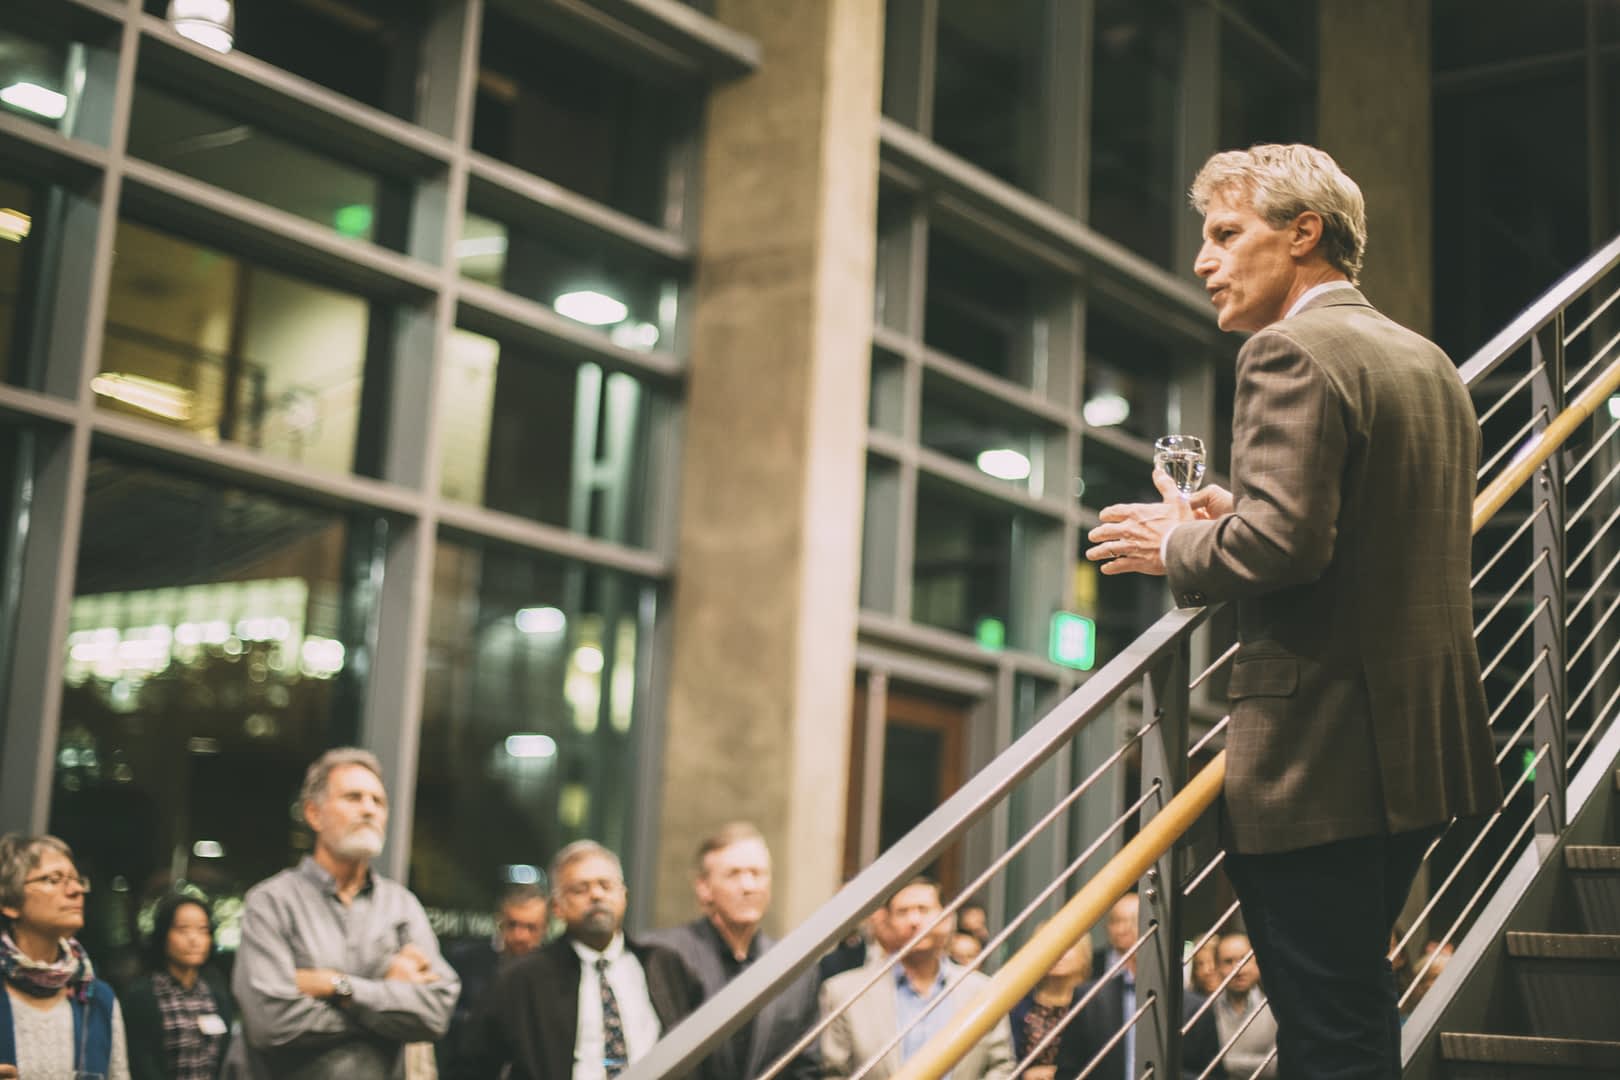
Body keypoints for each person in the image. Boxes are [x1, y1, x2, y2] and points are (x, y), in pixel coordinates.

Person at [1084, 143, 1502, 1078]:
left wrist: (1175, 544)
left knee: (1327, 1034)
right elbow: (1363, 536)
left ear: (1303, 233)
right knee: (1354, 1009)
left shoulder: (1286, 350)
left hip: (1320, 757)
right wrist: (1236, 514)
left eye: (1227, 234)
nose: (1205, 260)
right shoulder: (1427, 361)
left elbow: (1284, 550)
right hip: (1416, 749)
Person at [229, 747, 459, 1079]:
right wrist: (386, 1001)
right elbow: (272, 1022)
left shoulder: (402, 906)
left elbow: (435, 1012)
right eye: (353, 797)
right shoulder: (271, 902)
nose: (369, 810)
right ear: (313, 814)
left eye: (378, 801)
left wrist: (337, 986)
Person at [466, 840, 709, 1079]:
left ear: (624, 896)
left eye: (606, 885)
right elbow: (473, 1064)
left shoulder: (664, 966)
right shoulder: (524, 979)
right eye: (580, 889)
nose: (596, 895)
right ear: (557, 907)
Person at [646, 823, 818, 1080]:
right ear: (704, 888)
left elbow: (807, 1068)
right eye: (733, 874)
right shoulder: (662, 955)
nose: (748, 886)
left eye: (757, 873)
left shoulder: (796, 969)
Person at [819, 877, 1013, 1079]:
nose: (914, 921)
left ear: (946, 919)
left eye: (923, 909)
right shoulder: (845, 993)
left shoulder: (981, 989)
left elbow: (1000, 1066)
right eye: (902, 912)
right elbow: (834, 1073)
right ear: (887, 923)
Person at [0, 832, 130, 1079]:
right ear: (9, 902)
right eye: (54, 879)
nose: (76, 890)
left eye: (77, 880)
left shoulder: (98, 1000)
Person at [1052, 893, 1217, 1080]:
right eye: (1116, 921)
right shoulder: (1089, 997)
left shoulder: (1196, 1007)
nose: (1123, 929)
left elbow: (1212, 1073)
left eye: (1133, 921)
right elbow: (1068, 1069)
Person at [440, 882, 549, 1078]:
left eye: (531, 927)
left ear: (544, 929)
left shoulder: (553, 973)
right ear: (500, 922)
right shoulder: (466, 960)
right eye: (512, 924)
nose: (520, 936)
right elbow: (449, 1023)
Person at [123, 893, 234, 1080]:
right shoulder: (143, 996)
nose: (194, 939)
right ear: (163, 935)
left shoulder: (215, 996)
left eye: (203, 930)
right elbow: (139, 1063)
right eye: (183, 929)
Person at [1007, 933, 1090, 1079]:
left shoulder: (1095, 1003)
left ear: (1084, 956)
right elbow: (1004, 1059)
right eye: (1051, 946)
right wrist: (1023, 1075)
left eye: (1068, 947)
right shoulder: (1017, 1005)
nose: (1059, 953)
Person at [1212, 934, 1277, 1080]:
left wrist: (1223, 1063)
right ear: (1217, 967)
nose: (1238, 970)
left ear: (1257, 963)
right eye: (1228, 962)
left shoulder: (1275, 1010)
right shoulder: (1205, 1012)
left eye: (1245, 960)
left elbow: (1278, 1064)